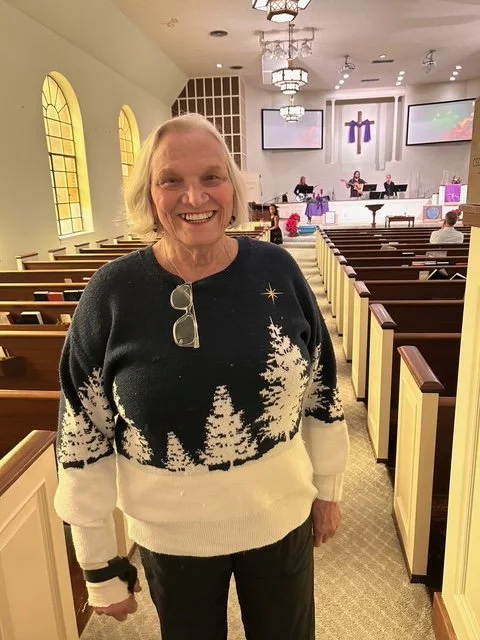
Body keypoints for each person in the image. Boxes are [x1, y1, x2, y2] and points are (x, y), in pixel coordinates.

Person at [54, 113, 349, 640]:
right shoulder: (111, 294)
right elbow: (83, 432)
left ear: (232, 189)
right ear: (148, 196)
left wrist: (328, 488)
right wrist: (98, 564)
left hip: (278, 518)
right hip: (171, 537)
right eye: (171, 180)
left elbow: (321, 389)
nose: (194, 197)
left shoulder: (277, 270)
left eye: (211, 177)